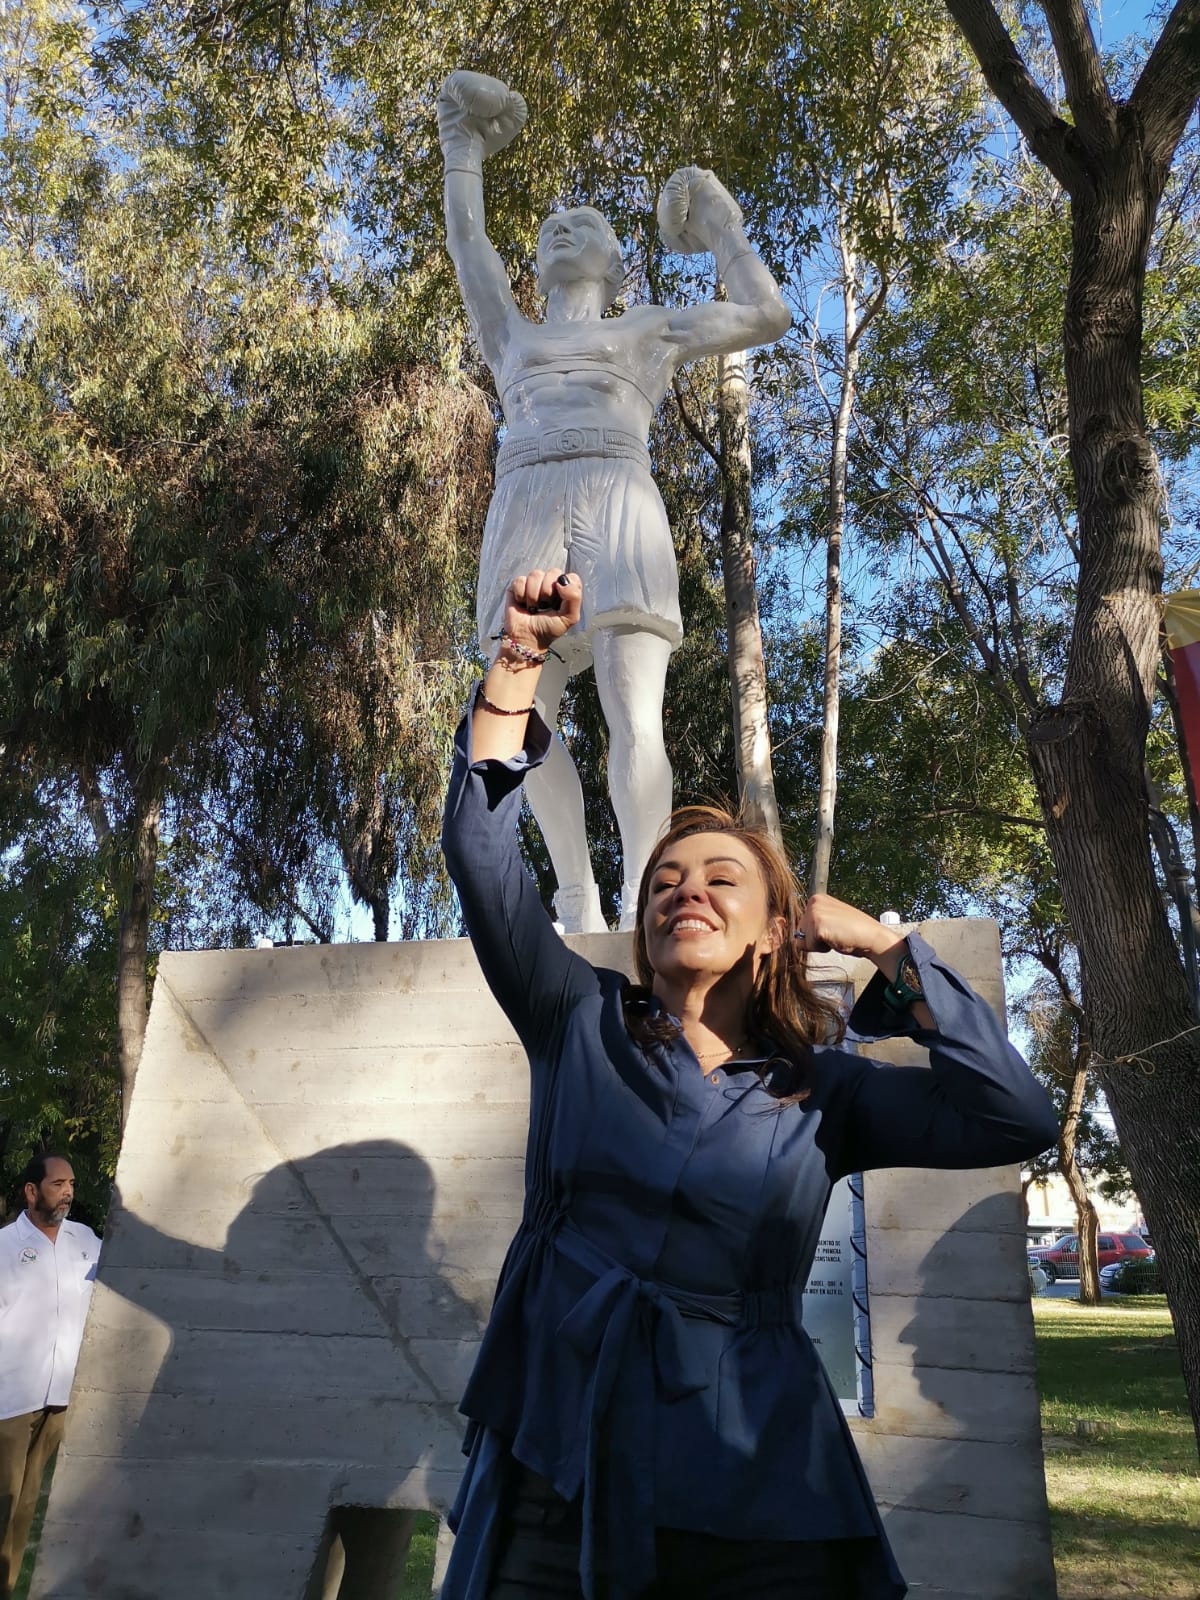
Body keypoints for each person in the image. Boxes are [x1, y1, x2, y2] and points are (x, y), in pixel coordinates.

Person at [439, 568, 1060, 1600]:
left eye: (721, 879)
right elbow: (477, 842)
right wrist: (520, 659)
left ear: (777, 930)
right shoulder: (577, 1016)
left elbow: (1014, 1115)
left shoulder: (829, 1091)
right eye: (666, 884)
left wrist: (882, 944)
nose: (686, 892)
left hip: (756, 1476)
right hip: (564, 1455)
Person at [438, 70, 791, 934]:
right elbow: (466, 247)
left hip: (619, 501)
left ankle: (644, 891)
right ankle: (574, 891)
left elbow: (766, 312)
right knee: (523, 717)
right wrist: (460, 145)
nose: (563, 226)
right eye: (551, 226)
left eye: (584, 223)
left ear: (617, 261)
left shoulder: (647, 329)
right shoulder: (511, 336)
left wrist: (719, 226)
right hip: (525, 502)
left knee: (636, 718)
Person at [0, 1154, 100, 1599]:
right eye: (58, 1183)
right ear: (31, 1190)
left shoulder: (87, 1240)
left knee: (25, 1506)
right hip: (10, 1400)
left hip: (59, 1397)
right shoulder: (4, 1247)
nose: (68, 1191)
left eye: (71, 1183)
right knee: (3, 1501)